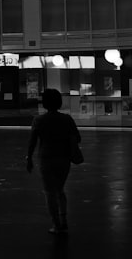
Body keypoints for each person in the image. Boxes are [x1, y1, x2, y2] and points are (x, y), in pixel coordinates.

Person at [26, 88, 82, 235]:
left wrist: (29, 158)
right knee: (60, 190)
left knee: (50, 192)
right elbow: (78, 138)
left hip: (46, 159)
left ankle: (56, 225)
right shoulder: (67, 119)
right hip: (64, 159)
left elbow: (32, 142)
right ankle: (64, 221)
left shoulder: (38, 120)